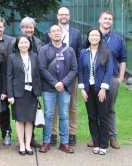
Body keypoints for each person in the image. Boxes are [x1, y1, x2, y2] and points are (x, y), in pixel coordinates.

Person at [87, 11, 127, 149]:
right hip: (94, 80)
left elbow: (123, 59)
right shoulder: (92, 36)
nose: (107, 21)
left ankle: (112, 137)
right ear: (100, 20)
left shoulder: (117, 39)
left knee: (109, 109)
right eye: (105, 18)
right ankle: (96, 137)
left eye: (110, 19)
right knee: (96, 109)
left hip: (112, 79)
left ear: (112, 21)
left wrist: (120, 77)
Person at [38, 25, 77, 153]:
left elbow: (74, 69)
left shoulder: (69, 50)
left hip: (64, 89)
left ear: (62, 33)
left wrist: (63, 83)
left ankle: (64, 143)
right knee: (48, 114)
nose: (56, 33)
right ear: (49, 34)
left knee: (64, 115)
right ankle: (46, 141)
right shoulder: (44, 49)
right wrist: (55, 83)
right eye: (53, 31)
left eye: (58, 31)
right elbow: (42, 68)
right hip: (49, 88)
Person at [50, 7, 82, 146]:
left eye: (66, 14)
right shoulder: (52, 32)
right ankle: (53, 133)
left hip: (71, 75)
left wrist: (75, 73)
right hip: (54, 75)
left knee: (72, 105)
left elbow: (79, 54)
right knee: (54, 105)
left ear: (69, 16)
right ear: (57, 16)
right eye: (61, 14)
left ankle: (72, 133)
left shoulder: (76, 33)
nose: (63, 16)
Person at [78, 28, 113, 155]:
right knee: (92, 117)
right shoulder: (83, 53)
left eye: (96, 35)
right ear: (88, 38)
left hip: (101, 89)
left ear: (100, 37)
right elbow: (80, 71)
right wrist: (82, 89)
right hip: (88, 89)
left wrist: (103, 88)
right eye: (91, 35)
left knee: (103, 117)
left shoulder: (106, 52)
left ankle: (104, 144)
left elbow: (109, 71)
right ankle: (96, 143)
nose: (94, 37)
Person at [7, 35, 42, 155]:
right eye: (21, 43)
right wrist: (10, 95)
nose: (23, 45)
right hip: (18, 93)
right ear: (17, 44)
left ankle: (28, 144)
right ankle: (21, 144)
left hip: (31, 92)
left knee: (30, 120)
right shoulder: (12, 57)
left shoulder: (35, 56)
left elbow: (37, 75)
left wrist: (38, 92)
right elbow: (9, 77)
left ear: (30, 44)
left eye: (26, 42)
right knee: (20, 120)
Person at [19, 16, 43, 148]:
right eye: (26, 27)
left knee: (32, 112)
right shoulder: (16, 42)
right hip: (20, 84)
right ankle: (22, 140)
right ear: (22, 29)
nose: (29, 29)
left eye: (31, 27)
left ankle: (30, 139)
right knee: (21, 114)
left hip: (34, 83)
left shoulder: (39, 43)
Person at [0, 16, 15, 145]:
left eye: (1, 27)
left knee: (5, 108)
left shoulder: (11, 41)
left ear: (4, 28)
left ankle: (6, 133)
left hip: (7, 80)